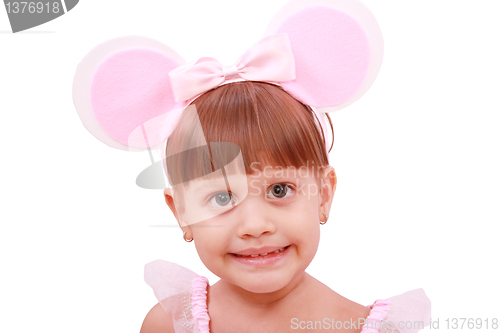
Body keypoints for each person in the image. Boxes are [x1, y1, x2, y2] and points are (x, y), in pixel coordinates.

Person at [72, 1, 431, 332]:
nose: (255, 226)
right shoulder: (170, 324)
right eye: (221, 198)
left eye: (280, 190)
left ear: (323, 194)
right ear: (181, 212)